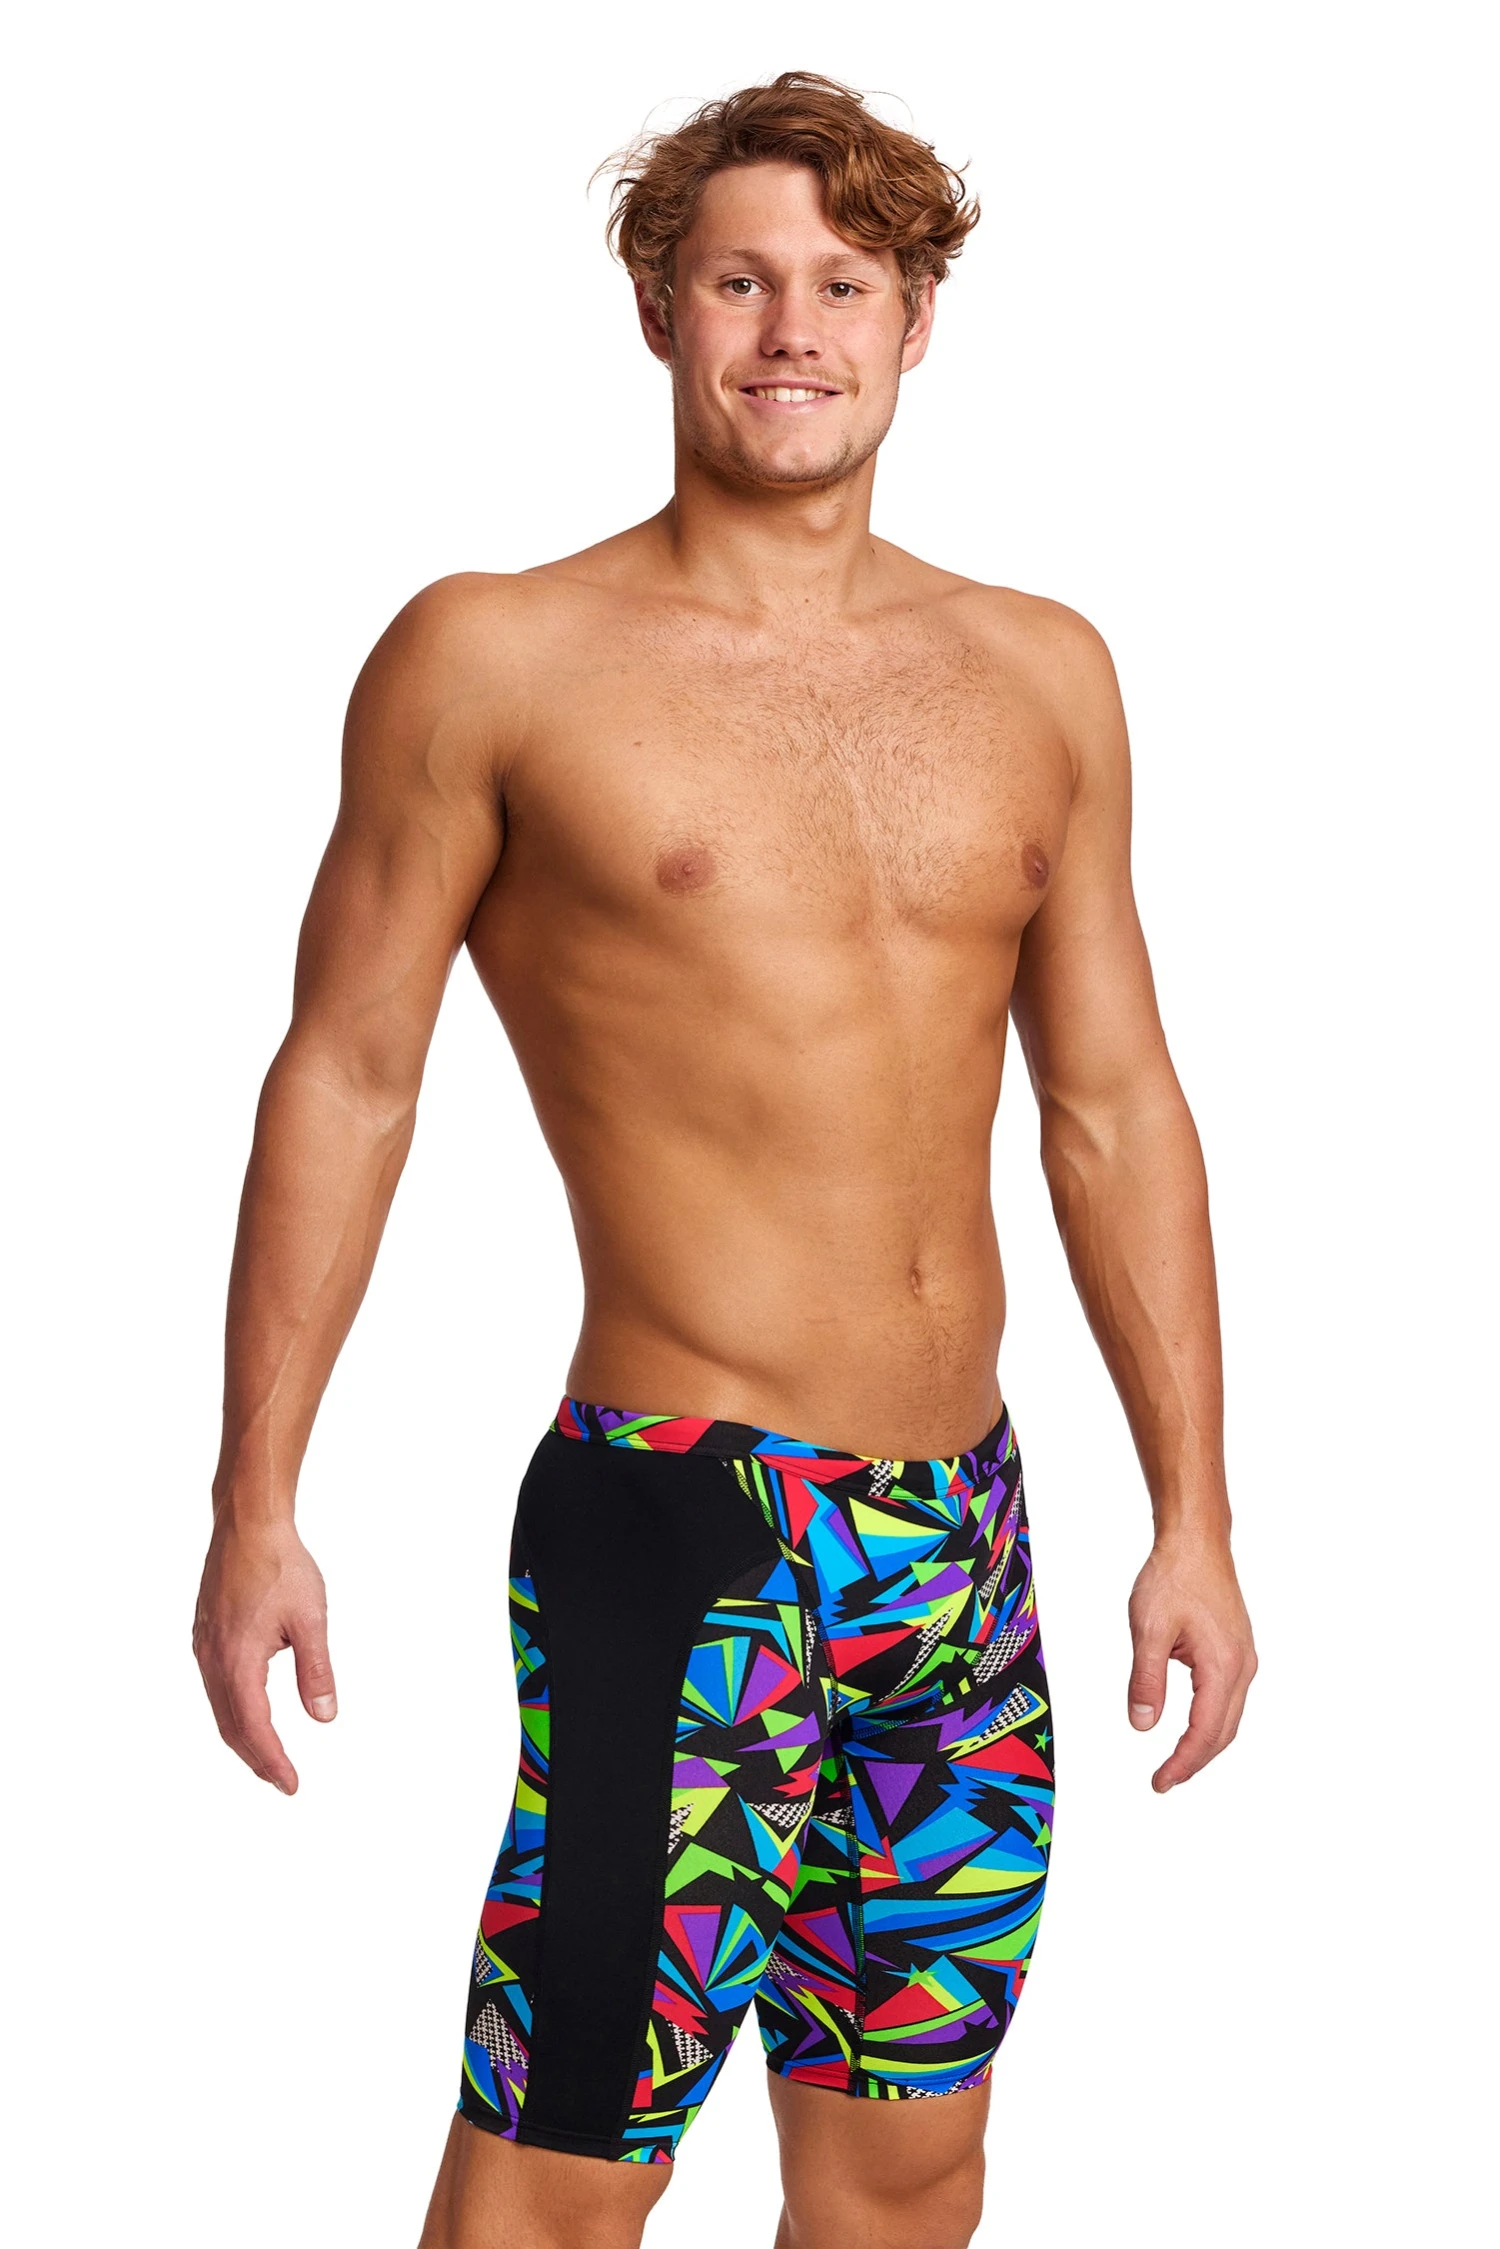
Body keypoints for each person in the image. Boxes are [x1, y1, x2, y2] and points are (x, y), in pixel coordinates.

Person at [193, 70, 1256, 2249]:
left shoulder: (1041, 670)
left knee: (908, 2175)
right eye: (742, 281)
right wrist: (253, 1502)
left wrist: (1197, 1514)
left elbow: (1114, 1103)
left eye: (844, 286)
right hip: (682, 1528)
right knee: (560, 2175)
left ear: (917, 322)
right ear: (658, 310)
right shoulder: (496, 656)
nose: (794, 330)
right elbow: (349, 1076)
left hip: (960, 1546)